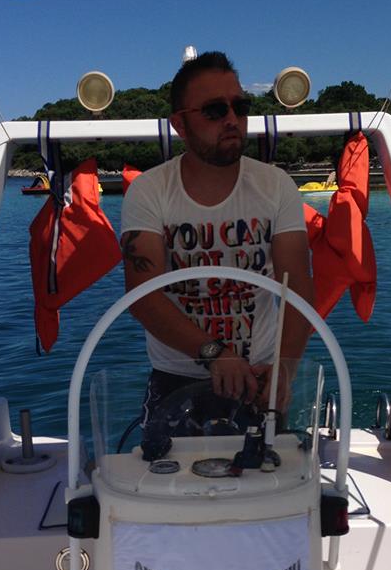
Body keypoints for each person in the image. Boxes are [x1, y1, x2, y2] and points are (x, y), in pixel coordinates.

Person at [120, 51, 314, 443]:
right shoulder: (149, 192)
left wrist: (284, 370)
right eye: (214, 110)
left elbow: (297, 287)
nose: (231, 119)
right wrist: (214, 353)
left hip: (259, 378)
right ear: (179, 124)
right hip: (176, 377)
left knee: (267, 477)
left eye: (240, 107)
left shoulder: (276, 186)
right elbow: (143, 297)